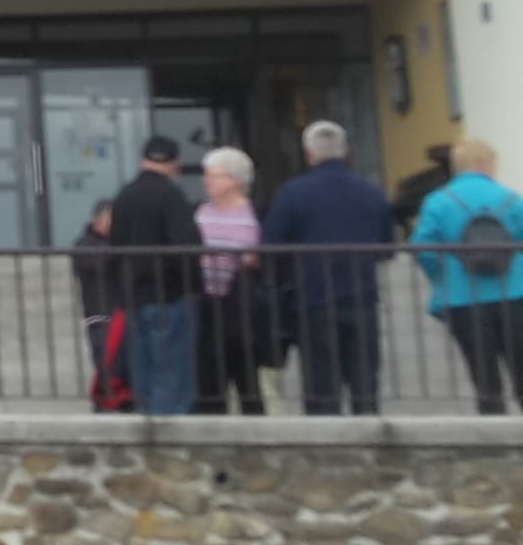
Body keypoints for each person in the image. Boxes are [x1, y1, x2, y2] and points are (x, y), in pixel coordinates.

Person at [262, 120, 393, 416]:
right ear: (345, 150)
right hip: (362, 296)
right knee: (364, 382)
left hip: (314, 298)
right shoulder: (371, 191)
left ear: (308, 154)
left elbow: (270, 243)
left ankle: (326, 437)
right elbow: (386, 246)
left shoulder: (293, 193)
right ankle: (367, 433)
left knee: (321, 384)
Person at [409, 138, 523, 414]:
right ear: (484, 163)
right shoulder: (510, 198)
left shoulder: (438, 202)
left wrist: (443, 277)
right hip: (515, 294)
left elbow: (422, 247)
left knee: (484, 379)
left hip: (463, 299)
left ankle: (493, 430)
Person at [108, 136, 202, 415]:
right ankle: (168, 431)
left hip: (133, 294)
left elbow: (116, 242)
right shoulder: (172, 195)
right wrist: (194, 283)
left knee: (143, 369)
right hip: (169, 293)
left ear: (143, 161)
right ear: (175, 165)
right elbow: (187, 244)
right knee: (171, 372)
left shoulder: (124, 195)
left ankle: (146, 422)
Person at [193, 148, 265, 416]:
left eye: (213, 176)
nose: (206, 181)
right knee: (209, 377)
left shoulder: (256, 214)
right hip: (207, 305)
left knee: (248, 377)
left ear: (234, 180)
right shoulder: (200, 212)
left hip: (242, 306)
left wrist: (254, 261)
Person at [71, 200, 115, 374]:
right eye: (109, 219)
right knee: (105, 363)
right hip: (99, 315)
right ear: (97, 220)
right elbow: (101, 263)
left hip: (119, 314)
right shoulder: (84, 245)